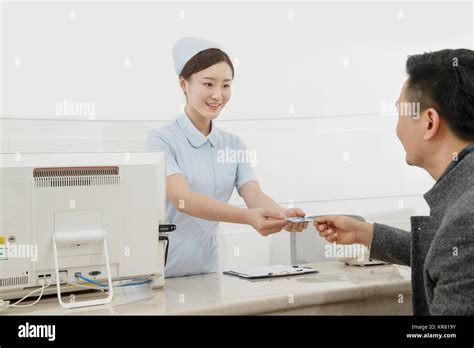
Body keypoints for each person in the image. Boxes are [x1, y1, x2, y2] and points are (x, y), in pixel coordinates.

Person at [315, 49, 474, 315]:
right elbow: (446, 250)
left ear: (429, 122)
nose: (397, 126)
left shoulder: (465, 218)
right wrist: (363, 233)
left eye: (399, 112)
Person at [146, 37, 308, 278]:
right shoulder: (160, 141)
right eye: (208, 84)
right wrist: (246, 217)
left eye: (226, 85)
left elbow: (254, 194)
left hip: (206, 271)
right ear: (184, 84)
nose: (218, 95)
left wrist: (282, 216)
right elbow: (182, 199)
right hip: (160, 272)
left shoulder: (233, 144)